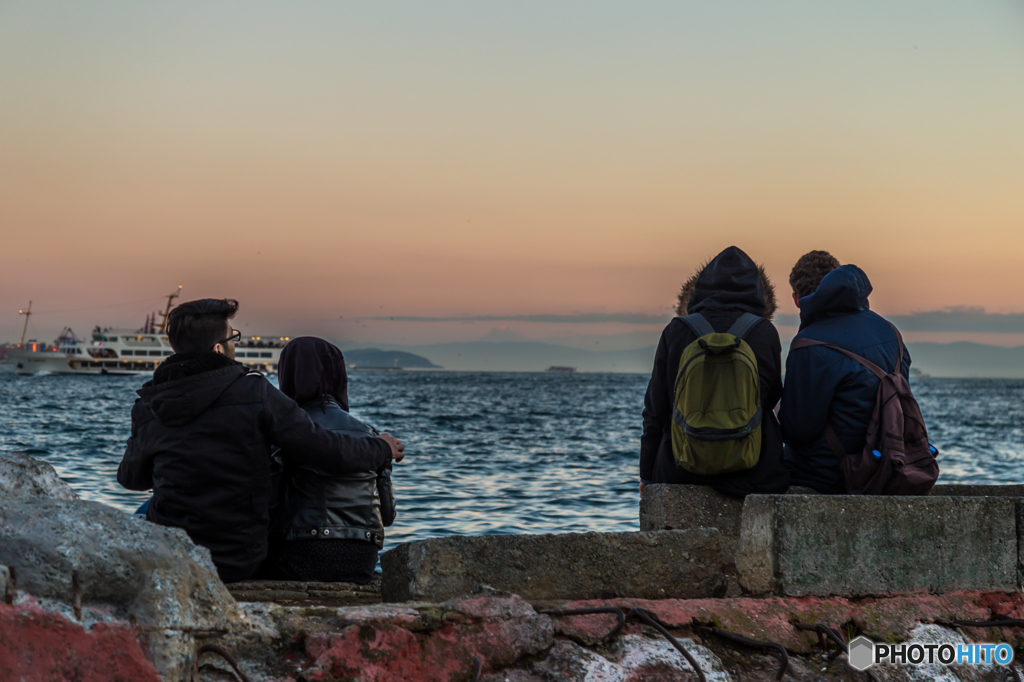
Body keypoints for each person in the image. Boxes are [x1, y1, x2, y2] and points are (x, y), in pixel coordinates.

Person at [117, 299, 404, 583]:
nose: (235, 345)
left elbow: (131, 479)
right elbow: (327, 449)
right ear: (218, 349)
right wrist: (382, 447)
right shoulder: (255, 392)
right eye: (233, 338)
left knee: (146, 508)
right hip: (238, 559)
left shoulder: (149, 404)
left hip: (177, 555)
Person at [640, 246, 790, 497]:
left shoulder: (677, 330)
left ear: (703, 287)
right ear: (755, 289)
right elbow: (771, 397)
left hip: (681, 470)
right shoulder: (764, 332)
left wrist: (647, 474)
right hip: (752, 472)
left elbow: (656, 410)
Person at [261, 337, 394, 583]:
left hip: (300, 555)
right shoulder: (371, 435)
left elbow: (267, 507)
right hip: (362, 559)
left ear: (287, 375)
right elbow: (387, 515)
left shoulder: (287, 432)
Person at [780, 253, 911, 494]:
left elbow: (798, 432)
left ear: (797, 300)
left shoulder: (808, 344)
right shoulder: (891, 333)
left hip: (831, 475)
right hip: (888, 465)